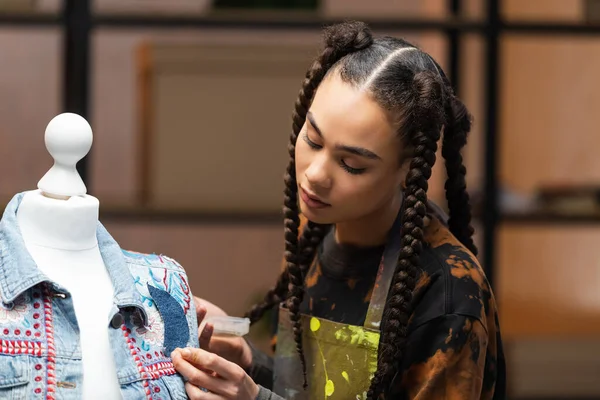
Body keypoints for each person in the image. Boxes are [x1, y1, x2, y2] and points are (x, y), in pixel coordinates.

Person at [170, 20, 506, 400]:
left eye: (352, 165)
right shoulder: (313, 234)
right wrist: (250, 362)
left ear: (408, 169)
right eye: (312, 140)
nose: (314, 175)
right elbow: (313, 390)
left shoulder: (449, 293)